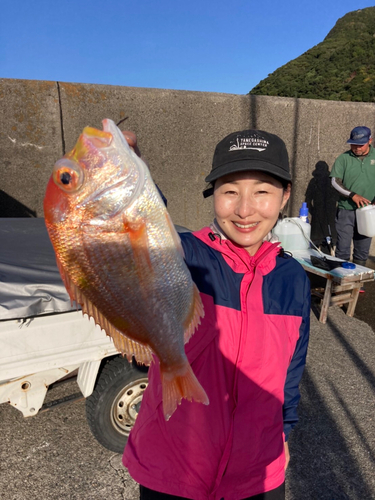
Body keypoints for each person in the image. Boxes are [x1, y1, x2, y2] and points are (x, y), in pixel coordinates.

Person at [122, 129, 311, 500]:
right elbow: (142, 234)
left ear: (285, 195)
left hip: (260, 470)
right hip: (172, 469)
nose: (244, 209)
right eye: (229, 191)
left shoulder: (293, 279)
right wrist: (130, 176)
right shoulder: (185, 257)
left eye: (262, 191)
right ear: (213, 195)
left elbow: (292, 371)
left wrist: (284, 433)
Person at [330, 126, 375, 267]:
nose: (357, 148)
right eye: (353, 144)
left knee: (362, 248)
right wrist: (352, 195)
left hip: (368, 211)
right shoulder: (343, 158)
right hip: (346, 209)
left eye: (360, 144)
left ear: (370, 141)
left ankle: (358, 283)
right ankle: (340, 281)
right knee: (342, 247)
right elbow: (335, 182)